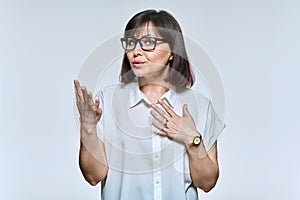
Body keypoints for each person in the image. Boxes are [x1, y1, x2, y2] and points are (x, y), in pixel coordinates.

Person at [74, 9, 225, 200]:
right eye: (131, 43)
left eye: (148, 43)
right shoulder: (108, 101)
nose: (136, 51)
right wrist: (87, 127)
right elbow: (93, 176)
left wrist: (193, 139)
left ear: (172, 51)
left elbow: (207, 183)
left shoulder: (200, 105)